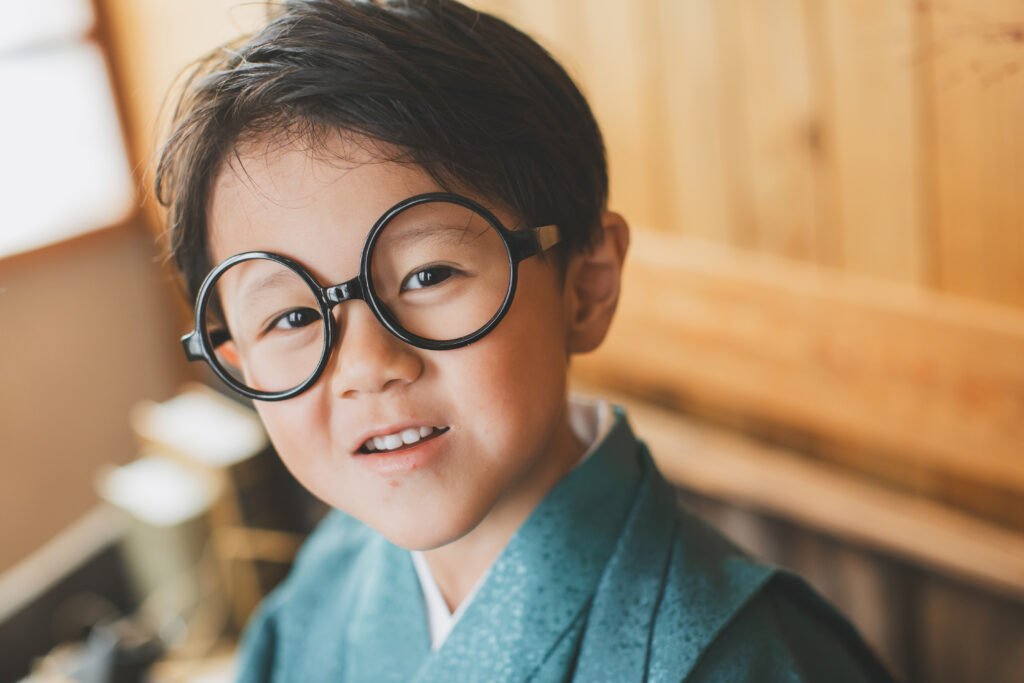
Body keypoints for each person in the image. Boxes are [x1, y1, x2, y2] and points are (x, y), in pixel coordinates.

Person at [156, 1, 897, 680]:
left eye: (428, 273)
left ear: (586, 284)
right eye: (291, 317)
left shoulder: (744, 653)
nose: (367, 365)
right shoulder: (322, 590)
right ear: (236, 361)